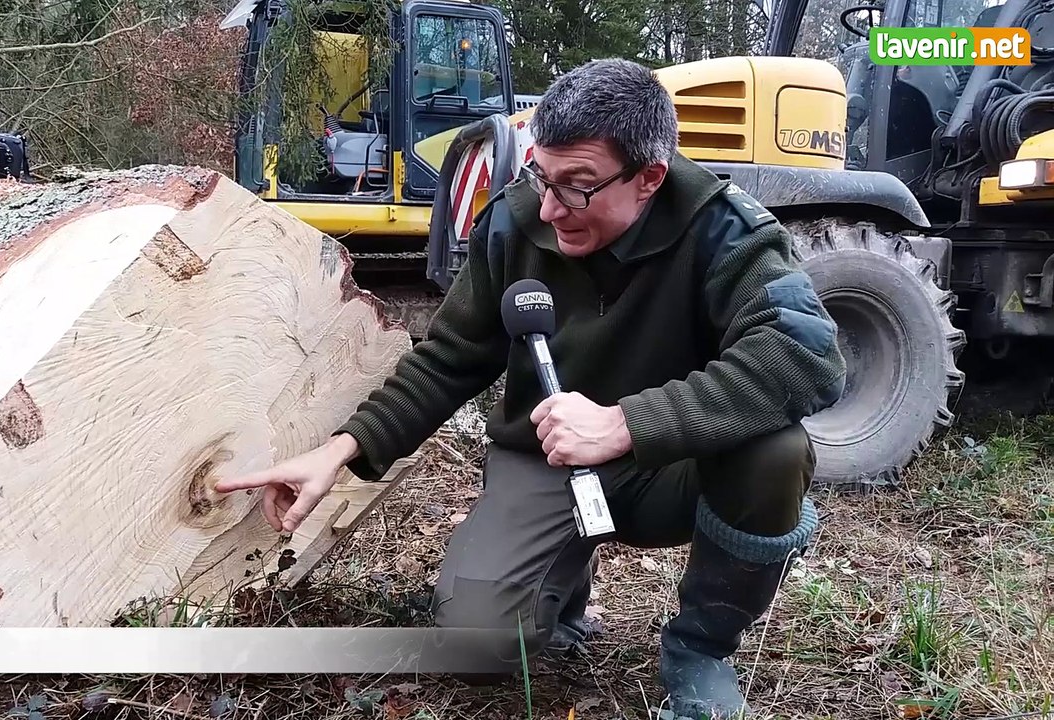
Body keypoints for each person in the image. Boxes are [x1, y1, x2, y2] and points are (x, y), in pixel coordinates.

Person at [215, 58, 846, 719]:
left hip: (672, 464)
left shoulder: (725, 231)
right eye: (543, 176)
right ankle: (560, 583)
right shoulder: (517, 219)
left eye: (577, 188)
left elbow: (807, 355)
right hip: (549, 460)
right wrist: (342, 449)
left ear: (650, 178)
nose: (549, 209)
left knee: (775, 451)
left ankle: (700, 649)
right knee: (477, 644)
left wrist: (627, 424)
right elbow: (450, 358)